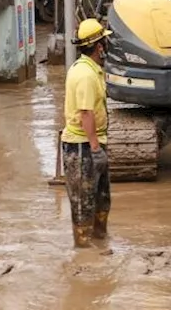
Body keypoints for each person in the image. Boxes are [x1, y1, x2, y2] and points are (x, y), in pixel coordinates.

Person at [62, 18, 112, 248]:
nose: (107, 45)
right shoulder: (85, 75)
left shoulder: (92, 70)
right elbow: (86, 114)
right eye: (105, 41)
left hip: (93, 143)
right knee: (83, 203)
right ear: (99, 46)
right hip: (82, 147)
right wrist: (94, 148)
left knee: (101, 200)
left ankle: (100, 241)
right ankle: (83, 251)